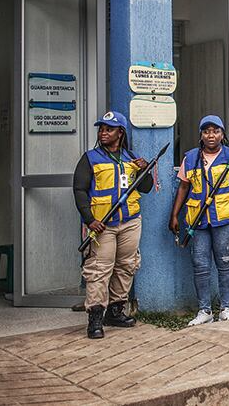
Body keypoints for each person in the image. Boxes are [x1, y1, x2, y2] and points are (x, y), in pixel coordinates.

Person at [72, 111, 152, 339]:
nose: (103, 133)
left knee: (126, 265)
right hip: (102, 225)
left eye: (109, 129)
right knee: (99, 269)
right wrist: (90, 219)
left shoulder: (131, 158)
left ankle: (115, 311)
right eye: (101, 129)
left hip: (130, 222)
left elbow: (146, 187)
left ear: (121, 133)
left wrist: (144, 168)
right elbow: (79, 190)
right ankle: (96, 316)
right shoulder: (90, 158)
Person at [169, 115, 229, 326]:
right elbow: (183, 187)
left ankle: (225, 308)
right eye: (206, 131)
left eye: (215, 131)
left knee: (225, 264)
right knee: (200, 265)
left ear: (223, 135)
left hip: (225, 219)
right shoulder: (191, 157)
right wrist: (174, 215)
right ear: (201, 135)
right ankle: (204, 311)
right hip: (198, 220)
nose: (211, 135)